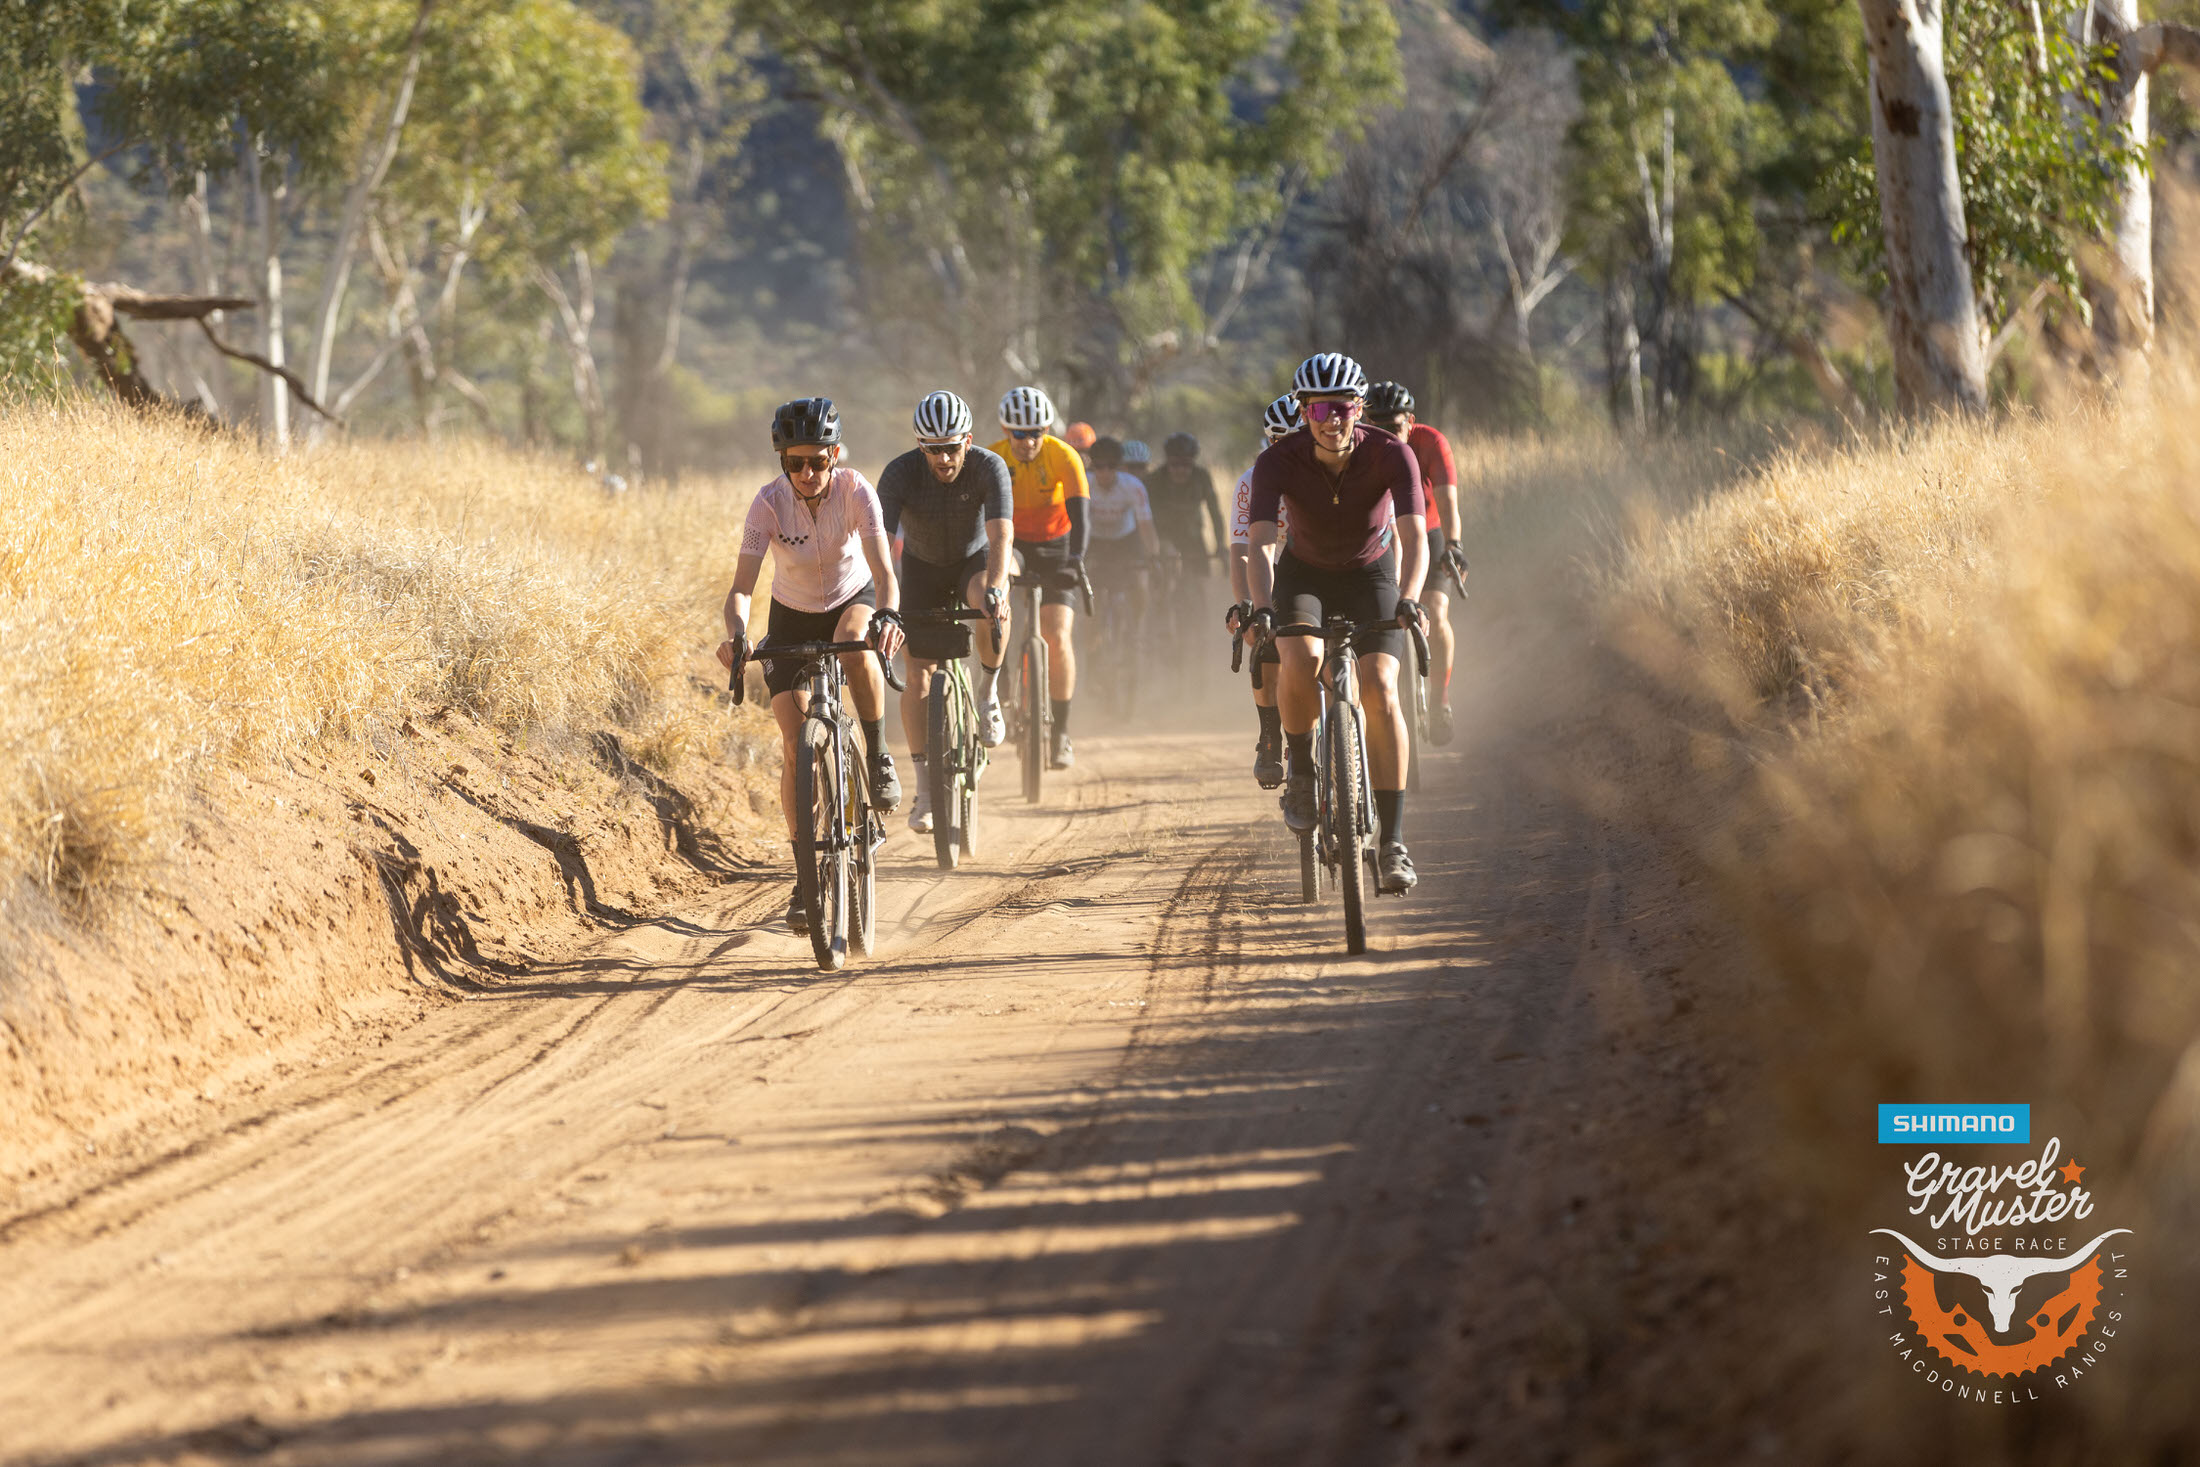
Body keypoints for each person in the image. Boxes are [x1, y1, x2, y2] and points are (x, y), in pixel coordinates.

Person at [716, 397, 907, 931]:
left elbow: (883, 570)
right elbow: (741, 589)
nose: (807, 473)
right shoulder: (767, 504)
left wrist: (888, 614)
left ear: (835, 456)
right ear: (782, 462)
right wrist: (737, 634)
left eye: (818, 461)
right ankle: (805, 872)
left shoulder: (856, 490)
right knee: (794, 744)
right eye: (795, 462)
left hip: (853, 599)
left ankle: (877, 750)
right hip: (792, 616)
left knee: (856, 639)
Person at [1245, 352, 1427, 895]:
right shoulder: (1278, 462)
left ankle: (1393, 842)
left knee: (1383, 689)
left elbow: (1415, 536)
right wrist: (1262, 605)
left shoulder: (1393, 453)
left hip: (1373, 573)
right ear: (1304, 412)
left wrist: (1411, 597)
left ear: (1359, 408)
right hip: (1304, 574)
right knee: (1299, 657)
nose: (1332, 418)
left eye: (1343, 406)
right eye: (1319, 407)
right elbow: (1258, 544)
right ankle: (1302, 773)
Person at [877, 390, 1015, 835]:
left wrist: (995, 589)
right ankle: (926, 791)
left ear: (968, 441)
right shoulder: (899, 473)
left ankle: (988, 693)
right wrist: (884, 603)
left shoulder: (988, 465)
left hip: (972, 561)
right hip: (919, 568)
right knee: (916, 676)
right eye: (932, 449)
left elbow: (1000, 538)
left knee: (991, 604)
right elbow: (878, 543)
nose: (943, 458)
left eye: (952, 447)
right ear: (920, 446)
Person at [988, 385, 1089, 770]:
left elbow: (1081, 514)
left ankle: (1061, 732)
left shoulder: (1064, 455)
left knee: (1057, 634)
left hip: (1056, 546)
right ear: (1005, 430)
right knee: (996, 601)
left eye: (1036, 433)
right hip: (1011, 543)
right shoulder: (993, 457)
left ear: (1047, 431)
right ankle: (1002, 679)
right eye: (1019, 433)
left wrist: (1077, 558)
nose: (1028, 442)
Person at [1365, 381, 1466, 745]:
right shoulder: (1358, 443)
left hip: (1428, 529)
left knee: (1436, 613)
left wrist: (1453, 544)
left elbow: (1448, 500)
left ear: (1411, 421)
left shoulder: (1431, 443)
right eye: (1376, 426)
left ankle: (1439, 701)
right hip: (1380, 535)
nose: (1385, 435)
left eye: (1393, 427)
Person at [1226, 396, 1300, 787]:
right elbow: (1241, 553)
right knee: (1263, 641)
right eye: (1278, 443)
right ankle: (1270, 734)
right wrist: (1247, 605)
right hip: (1271, 568)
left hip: (1317, 566)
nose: (1287, 451)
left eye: (1296, 440)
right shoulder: (1250, 481)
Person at [1084, 435, 1163, 608]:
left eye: (1111, 466)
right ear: (1092, 466)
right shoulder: (1083, 482)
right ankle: (1091, 632)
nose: (1105, 472)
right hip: (1094, 538)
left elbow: (1146, 526)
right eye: (1099, 466)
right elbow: (1074, 522)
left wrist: (1153, 556)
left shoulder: (1134, 486)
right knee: (1091, 593)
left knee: (1141, 583)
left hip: (1125, 537)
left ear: (1119, 467)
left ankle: (1136, 631)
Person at [1146, 432, 1229, 574]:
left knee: (1200, 576)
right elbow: (1146, 516)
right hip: (1164, 534)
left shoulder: (1201, 477)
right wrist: (1159, 542)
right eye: (1174, 465)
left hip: (1193, 535)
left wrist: (1220, 543)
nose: (1180, 470)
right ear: (1167, 462)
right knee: (1164, 573)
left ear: (1193, 463)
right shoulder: (1155, 479)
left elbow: (1215, 512)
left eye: (1186, 465)